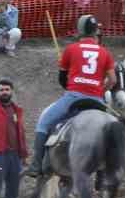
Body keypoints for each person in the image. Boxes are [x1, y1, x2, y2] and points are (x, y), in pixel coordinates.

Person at [28, 14, 115, 177]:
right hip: (96, 100)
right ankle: (104, 174)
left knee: (44, 122)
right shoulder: (105, 52)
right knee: (110, 132)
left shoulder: (71, 49)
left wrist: (69, 85)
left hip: (74, 97)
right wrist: (100, 90)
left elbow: (62, 78)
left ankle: (36, 165)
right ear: (95, 31)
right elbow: (113, 80)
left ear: (80, 30)